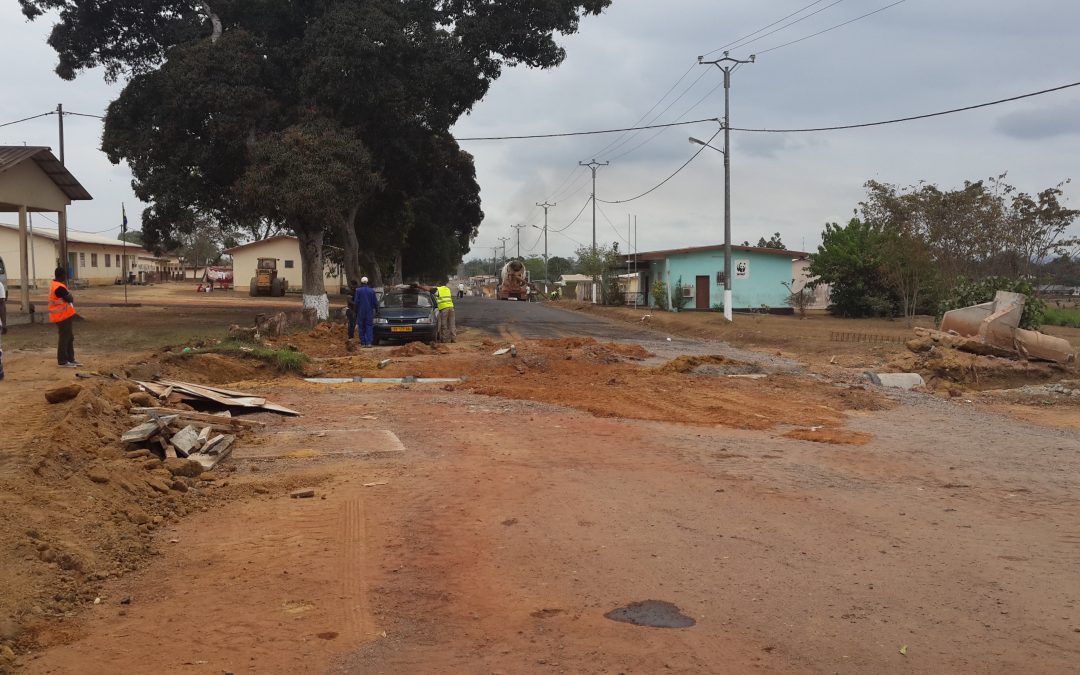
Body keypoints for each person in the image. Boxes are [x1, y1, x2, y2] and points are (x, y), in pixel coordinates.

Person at [49, 267, 80, 368]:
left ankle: (70, 359)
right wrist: (70, 295)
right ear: (62, 275)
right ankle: (62, 361)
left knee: (69, 337)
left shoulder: (56, 285)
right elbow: (70, 298)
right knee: (64, 338)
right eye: (65, 275)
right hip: (61, 316)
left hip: (64, 316)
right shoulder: (59, 287)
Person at [352, 276, 378, 347]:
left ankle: (363, 343)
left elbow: (356, 303)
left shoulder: (358, 290)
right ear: (367, 282)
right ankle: (369, 343)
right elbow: (375, 302)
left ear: (361, 282)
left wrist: (355, 312)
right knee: (369, 326)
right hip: (369, 311)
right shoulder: (372, 291)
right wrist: (377, 310)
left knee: (361, 327)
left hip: (361, 311)